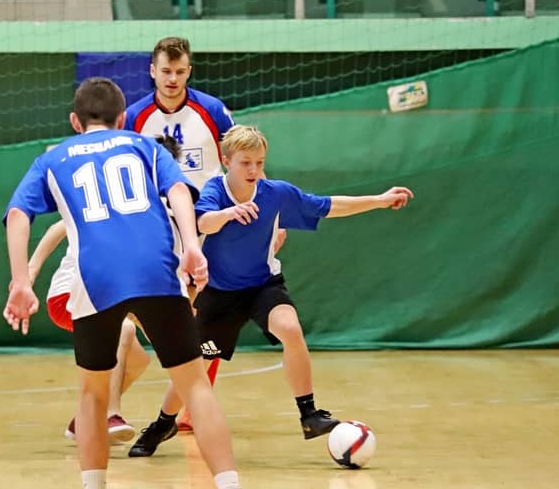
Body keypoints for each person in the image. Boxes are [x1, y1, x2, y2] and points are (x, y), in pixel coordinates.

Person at [2, 77, 267, 489]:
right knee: (195, 387)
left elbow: (20, 214)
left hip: (95, 279)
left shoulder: (53, 158)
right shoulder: (144, 145)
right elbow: (180, 193)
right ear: (123, 118)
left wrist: (22, 280)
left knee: (92, 397)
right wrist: (192, 246)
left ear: (74, 121)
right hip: (155, 271)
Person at [131, 124, 413, 457]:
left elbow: (328, 205)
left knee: (290, 329)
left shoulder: (275, 194)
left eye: (259, 163)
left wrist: (379, 200)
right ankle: (163, 423)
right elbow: (202, 222)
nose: (253, 170)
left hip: (263, 286)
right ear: (226, 161)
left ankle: (309, 415)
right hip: (220, 295)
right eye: (245, 163)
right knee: (194, 364)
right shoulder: (215, 190)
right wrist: (228, 214)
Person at [125, 36, 249, 436]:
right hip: (157, 228)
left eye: (180, 72)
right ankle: (110, 402)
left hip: (210, 222)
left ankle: (194, 405)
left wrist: (267, 215)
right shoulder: (134, 117)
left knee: (207, 314)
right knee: (165, 312)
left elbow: (246, 160)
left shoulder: (212, 111)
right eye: (165, 71)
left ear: (189, 71)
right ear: (152, 71)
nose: (172, 79)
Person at [27, 136, 182, 445]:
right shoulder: (114, 197)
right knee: (123, 330)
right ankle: (111, 414)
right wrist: (28, 273)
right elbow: (57, 228)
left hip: (118, 296)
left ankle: (83, 420)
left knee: (138, 361)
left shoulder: (164, 213)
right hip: (71, 294)